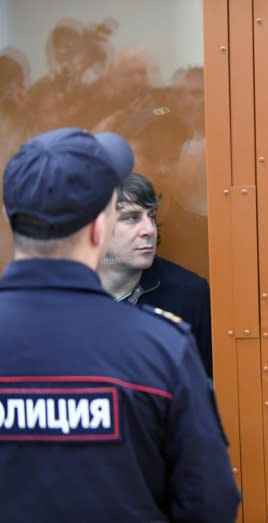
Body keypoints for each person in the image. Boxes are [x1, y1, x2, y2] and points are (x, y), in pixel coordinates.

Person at [0, 127, 240, 521]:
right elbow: (209, 502)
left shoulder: (172, 324)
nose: (146, 230)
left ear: (10, 219)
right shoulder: (160, 348)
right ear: (100, 227)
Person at [98, 171, 213, 378]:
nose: (149, 230)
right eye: (132, 218)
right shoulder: (61, 294)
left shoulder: (189, 295)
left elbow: (207, 389)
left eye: (151, 216)